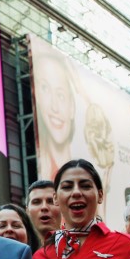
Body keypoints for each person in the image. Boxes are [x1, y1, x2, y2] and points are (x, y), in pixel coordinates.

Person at [34, 52, 76, 181]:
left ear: (72, 107)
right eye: (45, 89)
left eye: (61, 95)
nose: (54, 107)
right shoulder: (45, 175)